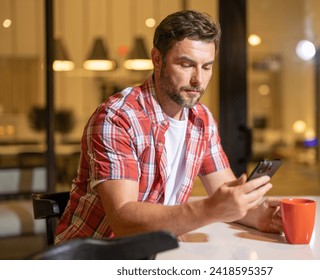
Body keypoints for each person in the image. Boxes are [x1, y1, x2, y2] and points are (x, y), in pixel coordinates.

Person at [55, 10, 283, 244]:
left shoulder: (201, 119)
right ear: (157, 59)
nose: (198, 80)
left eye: (206, 67)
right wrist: (208, 210)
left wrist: (262, 215)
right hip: (94, 258)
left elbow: (223, 192)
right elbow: (123, 219)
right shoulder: (117, 118)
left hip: (156, 249)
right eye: (186, 65)